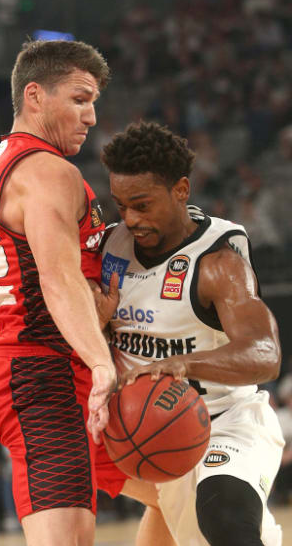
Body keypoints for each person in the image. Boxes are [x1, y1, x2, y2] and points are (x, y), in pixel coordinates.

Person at [0, 41, 169, 546]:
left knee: (177, 493)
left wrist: (95, 312)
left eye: (95, 102)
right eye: (80, 99)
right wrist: (101, 360)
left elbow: (66, 277)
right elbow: (57, 280)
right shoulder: (46, 170)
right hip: (43, 377)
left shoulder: (13, 163)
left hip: (62, 371)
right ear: (35, 96)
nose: (91, 115)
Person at [98, 120, 285, 546]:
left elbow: (265, 353)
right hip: (148, 431)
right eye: (121, 205)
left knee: (226, 518)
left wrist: (182, 363)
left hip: (227, 423)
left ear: (181, 190)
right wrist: (100, 321)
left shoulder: (219, 260)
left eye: (142, 205)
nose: (130, 219)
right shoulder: (112, 249)